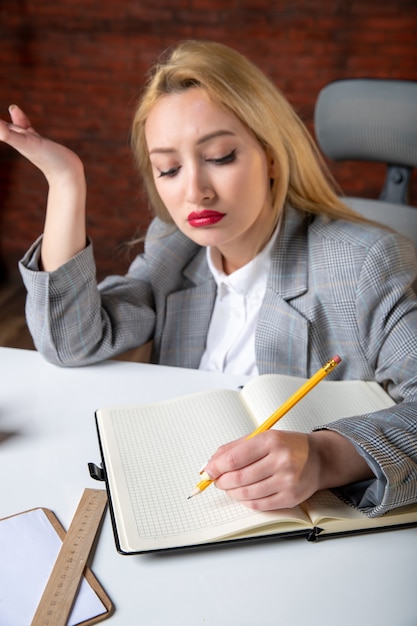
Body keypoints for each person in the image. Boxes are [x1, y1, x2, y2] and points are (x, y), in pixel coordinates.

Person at [1, 40, 416, 518]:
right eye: (169, 169)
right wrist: (65, 181)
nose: (194, 191)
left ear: (272, 157)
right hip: (189, 504)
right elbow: (70, 340)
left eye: (219, 156)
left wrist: (327, 456)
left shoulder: (362, 265)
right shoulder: (173, 251)